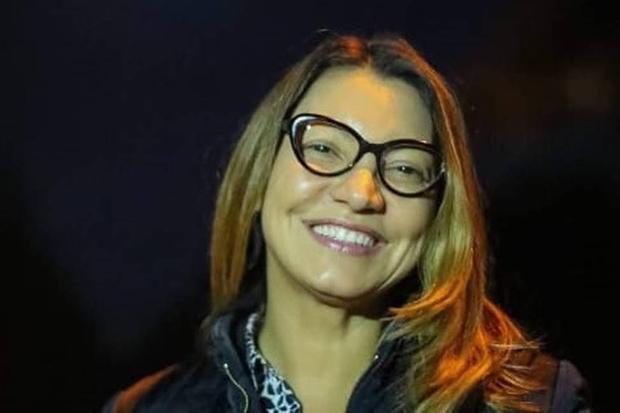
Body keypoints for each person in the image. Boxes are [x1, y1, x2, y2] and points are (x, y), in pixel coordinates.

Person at [103, 32, 591, 412]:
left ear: (438, 218)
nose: (361, 193)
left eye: (404, 169)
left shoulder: (531, 402)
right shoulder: (145, 409)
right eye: (322, 148)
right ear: (259, 174)